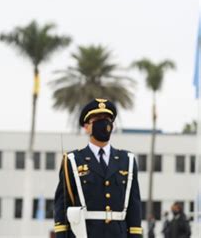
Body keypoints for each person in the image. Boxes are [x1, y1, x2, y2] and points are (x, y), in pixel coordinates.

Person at [53, 98, 143, 237]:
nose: (104, 123)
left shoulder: (127, 160)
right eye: (98, 119)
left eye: (107, 119)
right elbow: (63, 205)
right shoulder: (72, 160)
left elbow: (134, 206)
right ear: (86, 126)